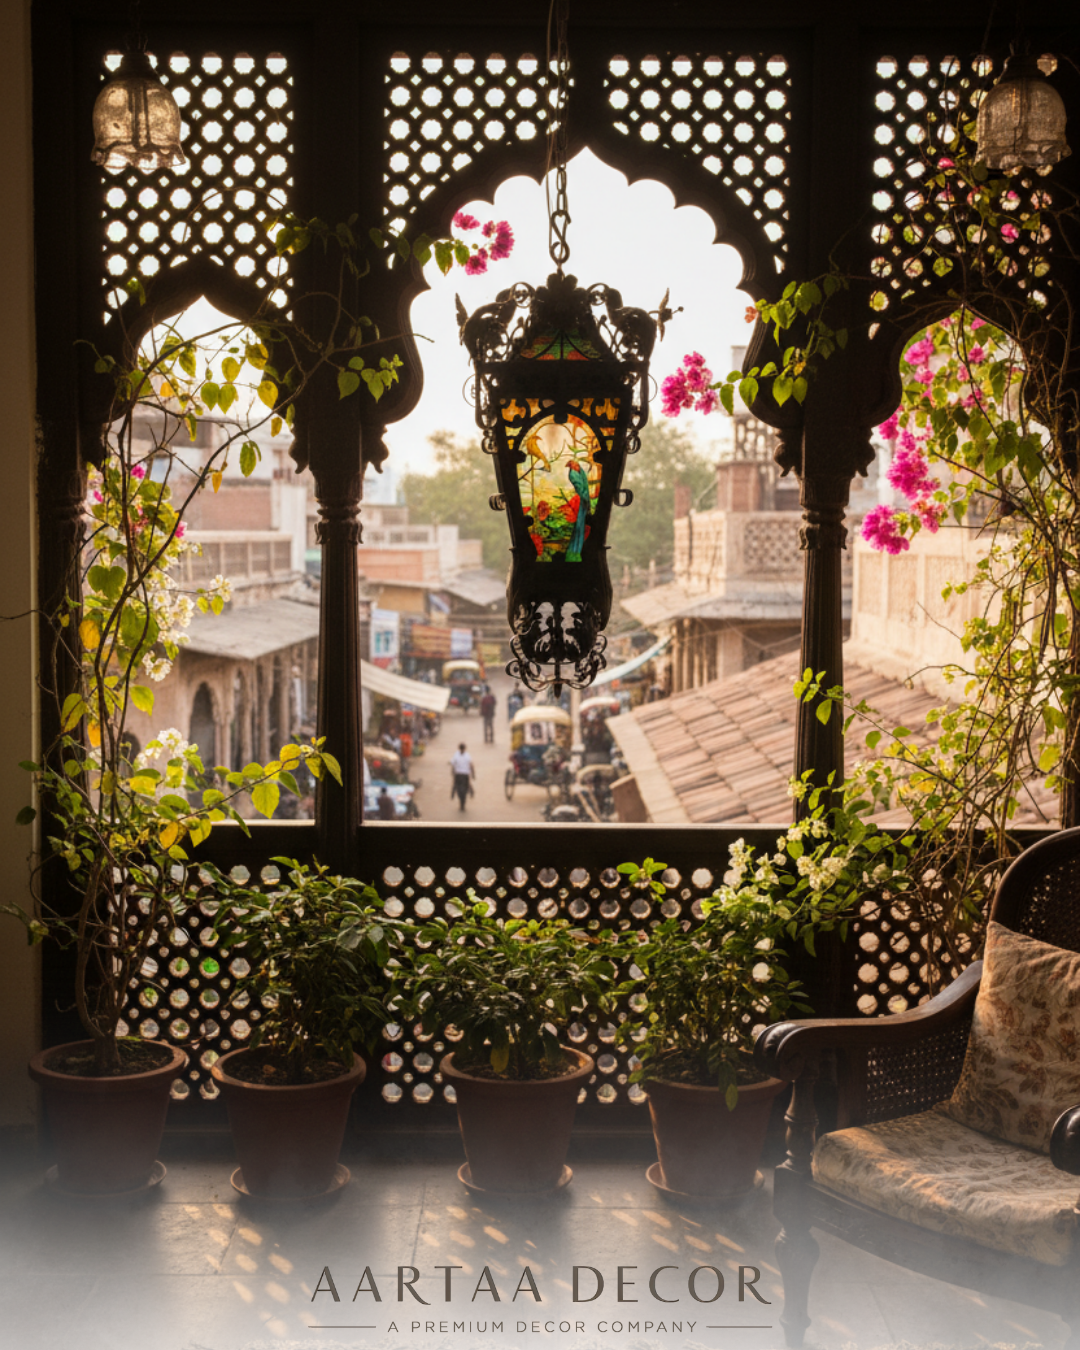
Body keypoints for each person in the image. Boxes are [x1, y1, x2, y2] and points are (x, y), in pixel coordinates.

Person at [449, 742, 475, 811]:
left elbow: (453, 764)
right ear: (465, 748)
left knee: (455, 785)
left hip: (458, 774)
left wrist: (452, 771)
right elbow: (471, 765)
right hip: (465, 774)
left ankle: (452, 793)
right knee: (467, 785)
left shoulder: (456, 754)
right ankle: (471, 791)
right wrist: (473, 774)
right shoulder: (467, 755)